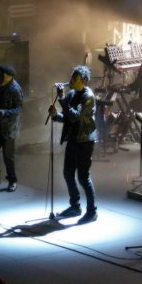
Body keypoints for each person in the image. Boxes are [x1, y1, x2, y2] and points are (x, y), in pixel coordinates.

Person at [48, 66, 98, 224]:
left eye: (74, 79)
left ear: (83, 80)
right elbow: (68, 117)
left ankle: (92, 211)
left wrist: (62, 100)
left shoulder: (88, 97)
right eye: (71, 77)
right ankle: (75, 206)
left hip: (85, 140)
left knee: (83, 177)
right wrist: (55, 115)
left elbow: (76, 117)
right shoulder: (71, 94)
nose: (70, 81)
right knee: (68, 173)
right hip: (73, 138)